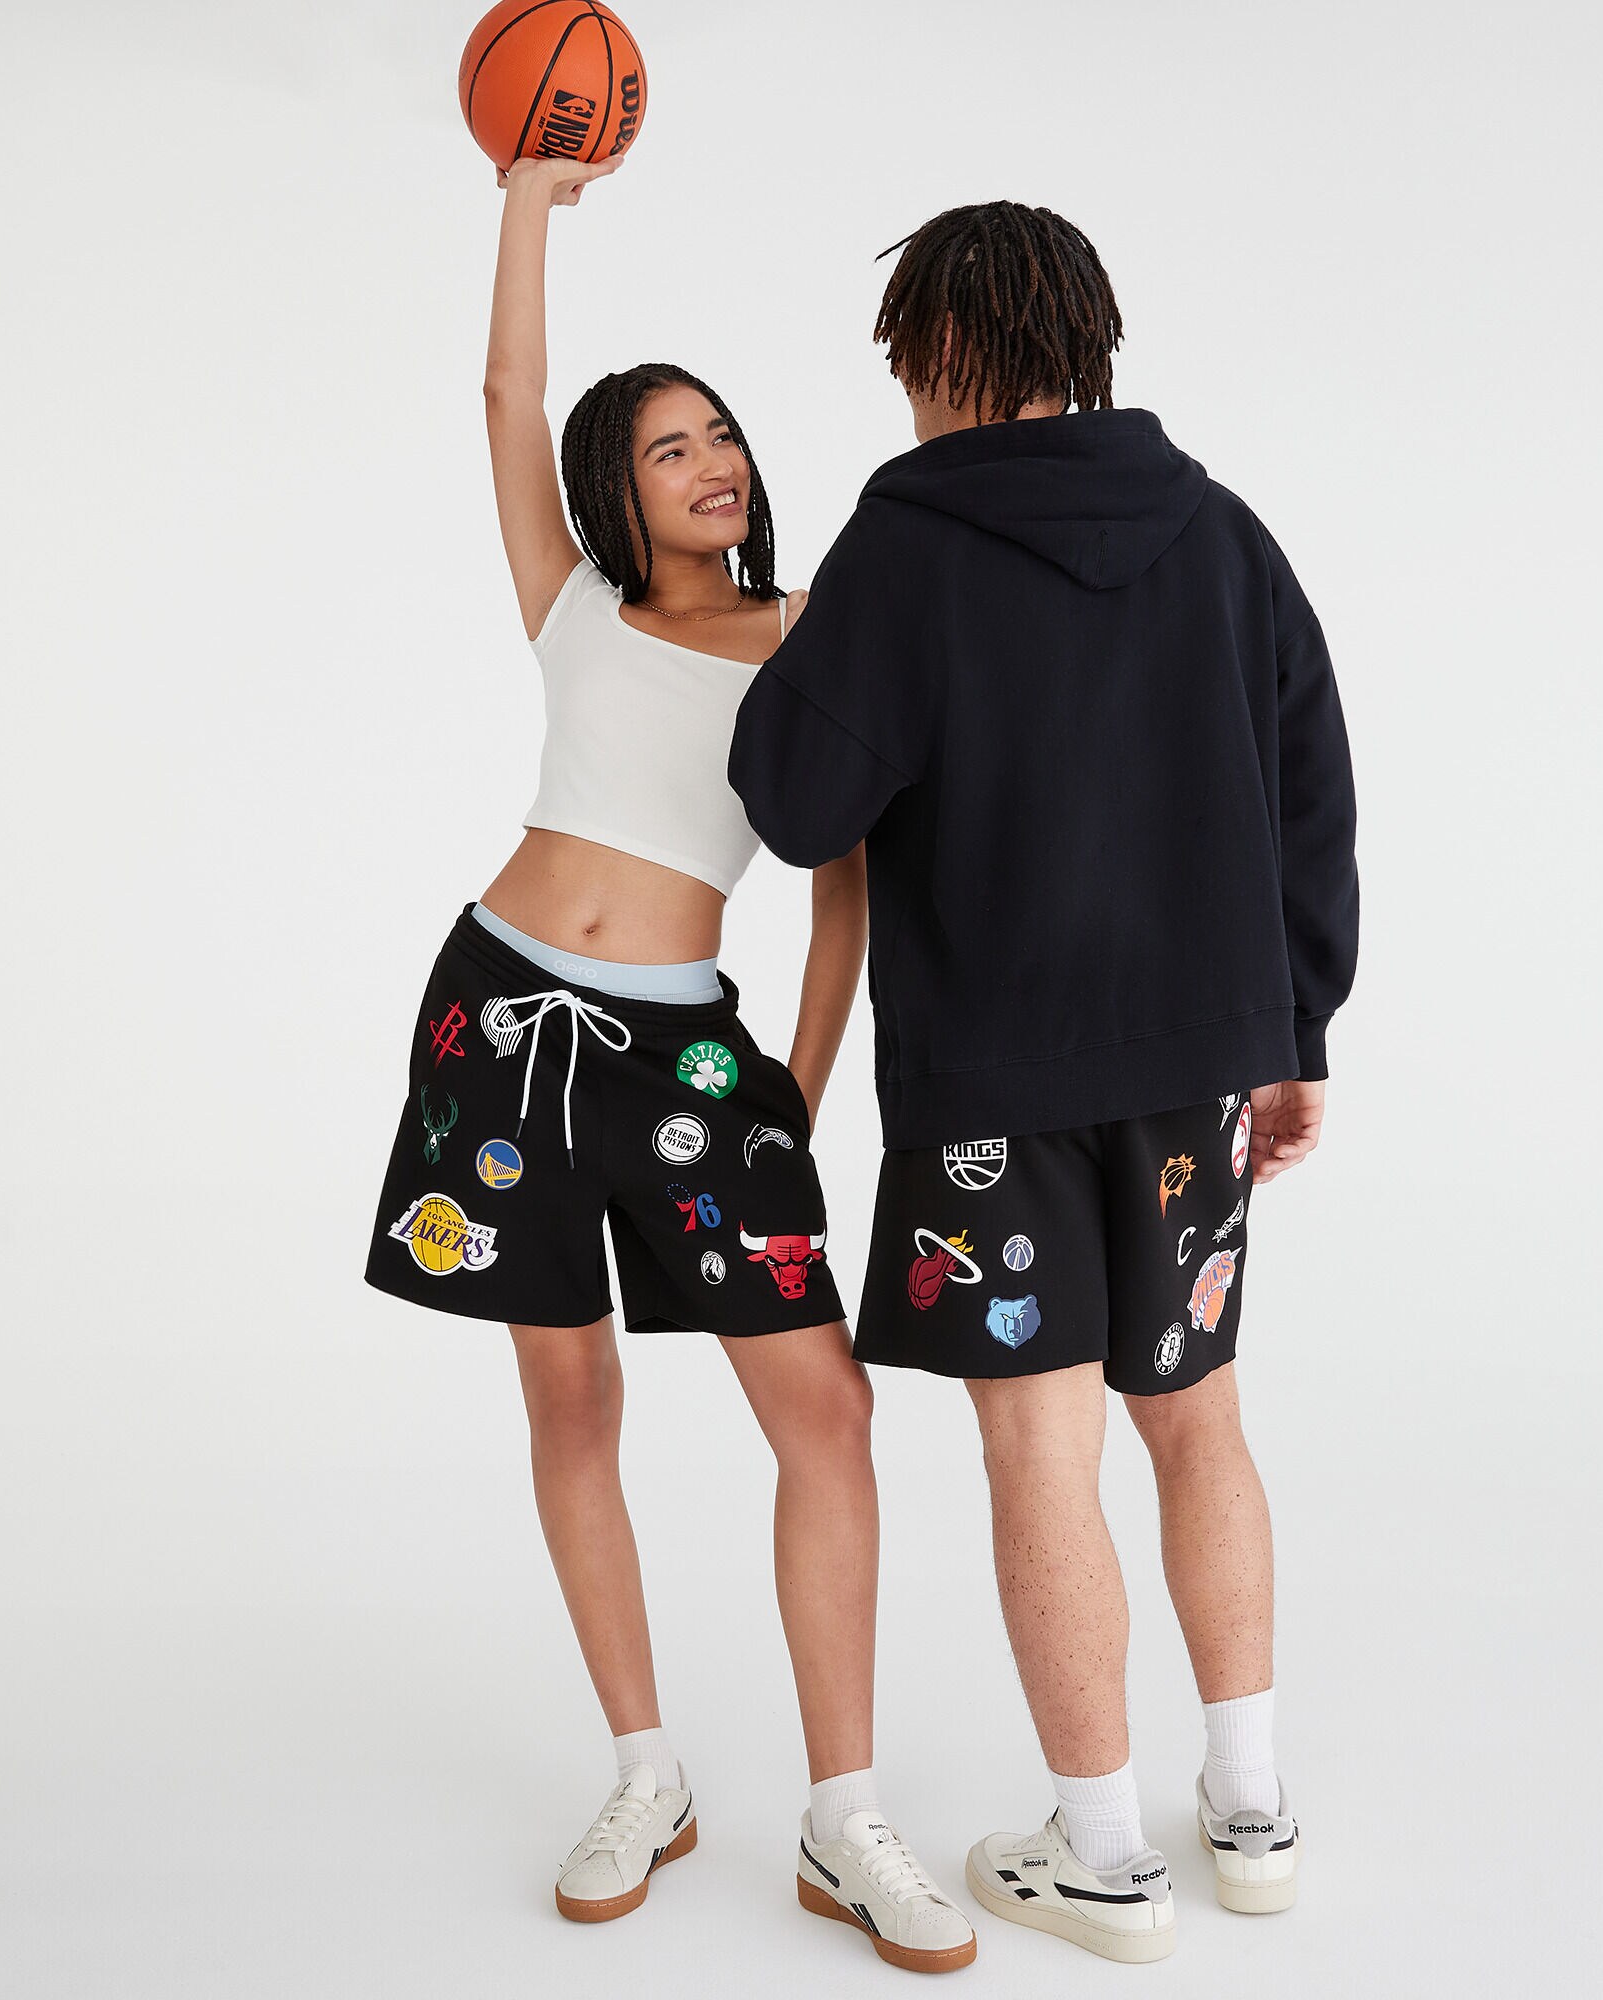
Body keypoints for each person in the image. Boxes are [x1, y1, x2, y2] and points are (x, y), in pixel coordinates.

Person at [730, 199, 1359, 1964]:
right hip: (1197, 1072)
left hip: (989, 1089)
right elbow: (1311, 784)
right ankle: (1253, 1812)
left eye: (906, 361)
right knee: (1200, 1417)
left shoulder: (905, 542)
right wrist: (1295, 1028)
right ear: (1083, 343)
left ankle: (1101, 1855)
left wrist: (801, 649)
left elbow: (798, 806)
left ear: (941, 351)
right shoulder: (1219, 532)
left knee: (1040, 1453)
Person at [364, 154, 973, 1973]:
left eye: (723, 436)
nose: (715, 463)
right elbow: (506, 389)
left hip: (693, 1058)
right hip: (499, 1021)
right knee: (570, 1403)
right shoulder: (569, 603)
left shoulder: (813, 640)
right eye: (668, 448)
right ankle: (646, 1772)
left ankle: (845, 1814)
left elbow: (843, 903)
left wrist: (796, 1083)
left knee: (826, 1411)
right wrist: (527, 197)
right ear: (612, 496)